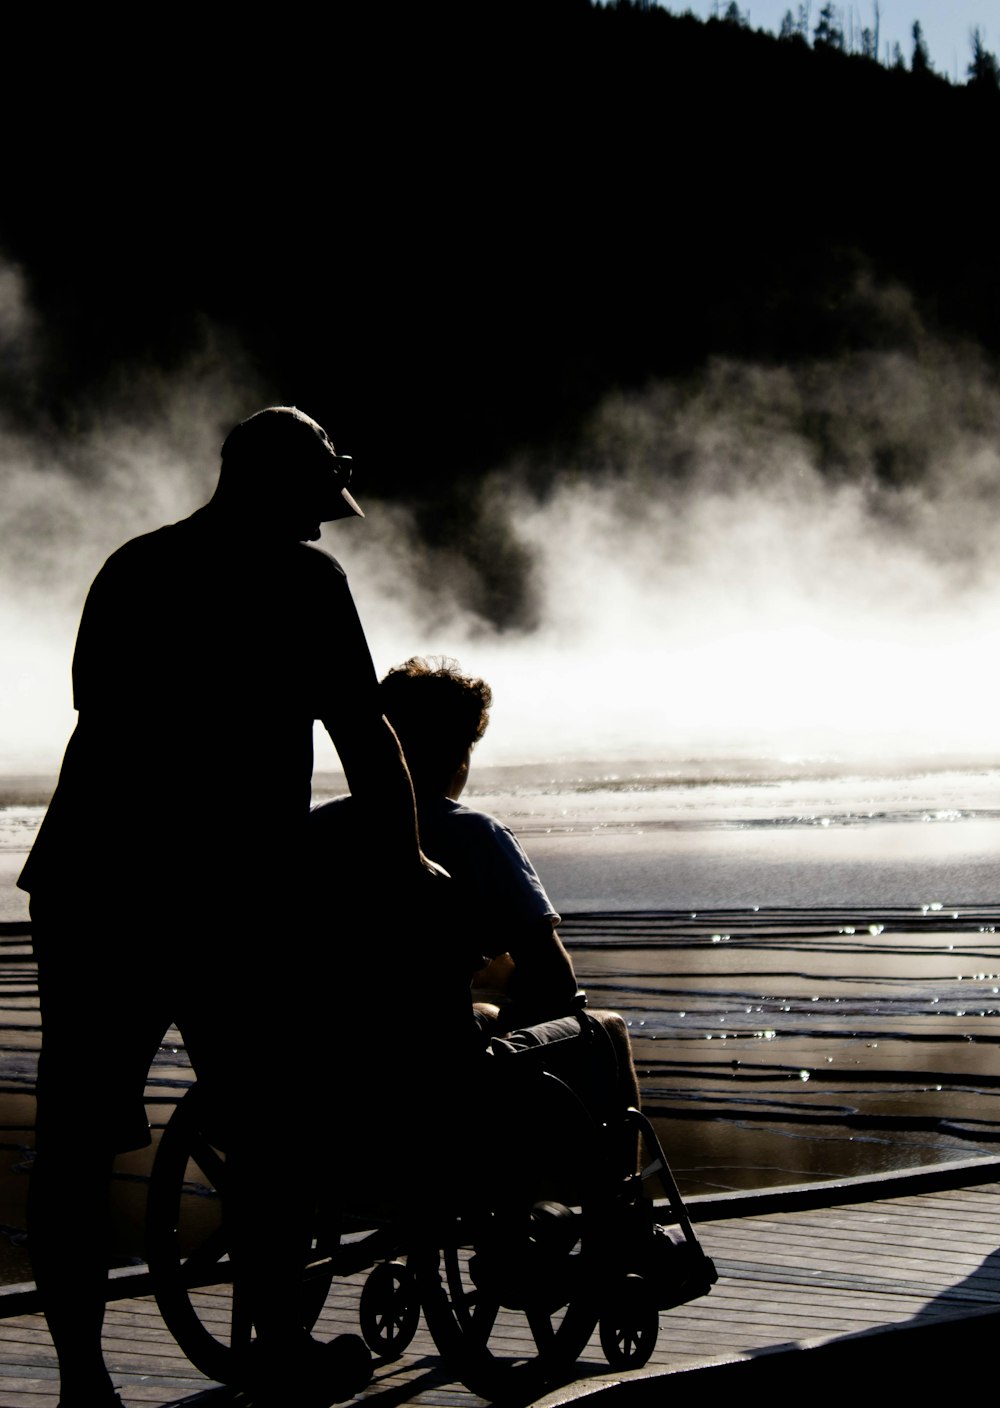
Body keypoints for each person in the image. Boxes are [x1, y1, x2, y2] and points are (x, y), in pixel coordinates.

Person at [20, 407, 435, 1408]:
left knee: (73, 1144)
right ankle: (279, 1352)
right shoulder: (303, 581)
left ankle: (83, 1384)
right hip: (224, 895)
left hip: (88, 882)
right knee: (271, 1124)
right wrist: (410, 855)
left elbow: (96, 706)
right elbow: (362, 731)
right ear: (283, 488)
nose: (327, 525)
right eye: (318, 503)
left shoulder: (132, 567)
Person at [308, 656, 641, 1198]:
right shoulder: (474, 834)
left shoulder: (318, 829)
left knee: (482, 1013)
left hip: (329, 1071)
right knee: (605, 1031)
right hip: (434, 1079)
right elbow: (555, 979)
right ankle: (619, 1217)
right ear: (460, 751)